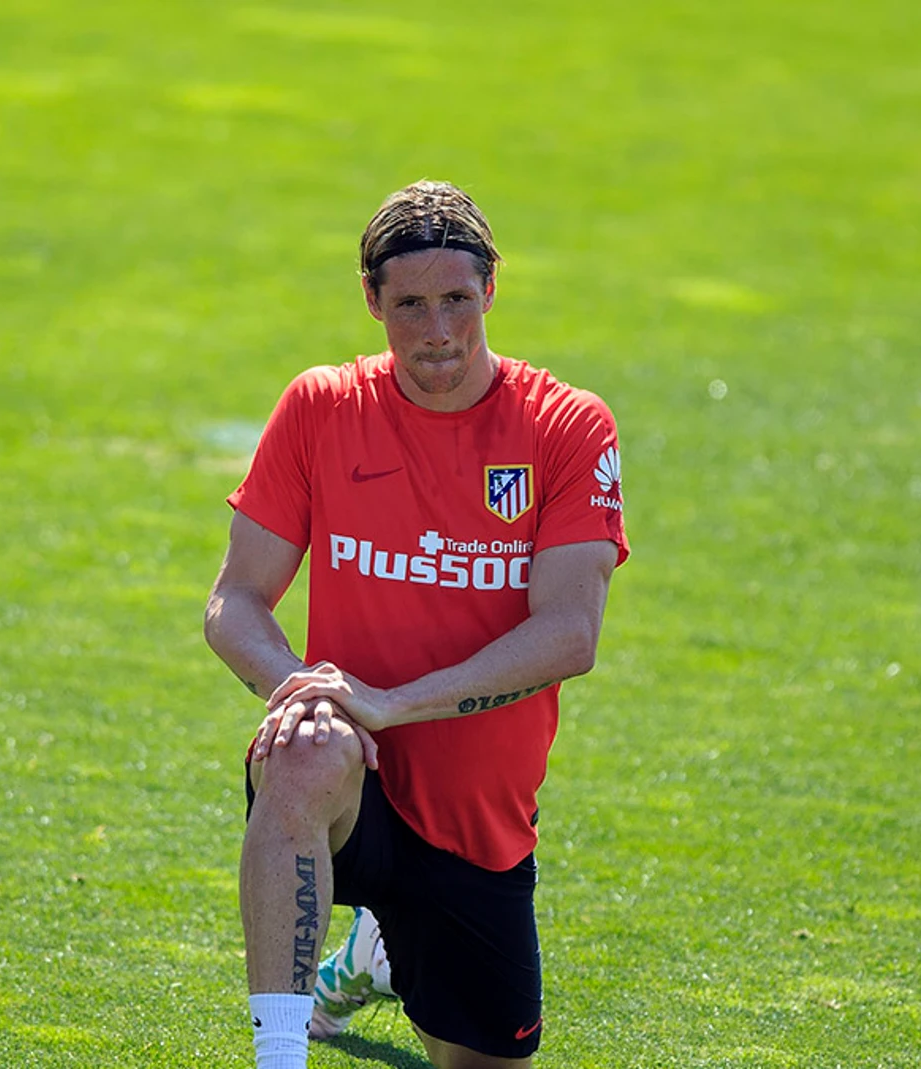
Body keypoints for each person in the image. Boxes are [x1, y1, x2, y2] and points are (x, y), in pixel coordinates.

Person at [205, 180, 627, 1069]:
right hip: (353, 782)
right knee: (303, 746)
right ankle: (278, 1056)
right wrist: (297, 687)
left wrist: (393, 701)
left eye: (455, 301)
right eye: (408, 305)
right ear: (372, 301)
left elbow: (569, 636)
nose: (436, 331)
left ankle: (373, 952)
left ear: (491, 289)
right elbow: (234, 603)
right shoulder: (322, 407)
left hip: (478, 825)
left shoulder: (565, 425)